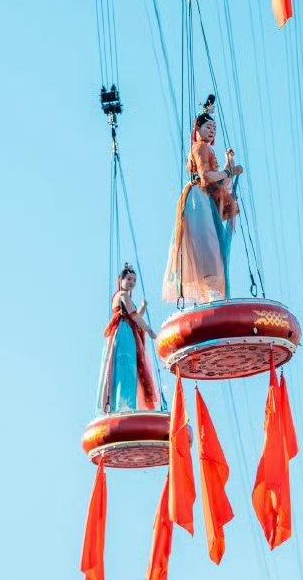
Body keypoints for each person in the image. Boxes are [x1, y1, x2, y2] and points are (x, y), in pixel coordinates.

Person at [162, 98, 244, 305]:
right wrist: (228, 170)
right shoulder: (199, 148)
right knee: (207, 245)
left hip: (206, 199)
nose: (212, 131)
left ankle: (212, 291)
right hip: (198, 198)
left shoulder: (208, 150)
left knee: (212, 245)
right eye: (208, 126)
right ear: (197, 129)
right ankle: (211, 290)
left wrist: (229, 165)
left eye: (214, 128)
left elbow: (219, 182)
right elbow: (206, 176)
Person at [95, 263, 161, 415]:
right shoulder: (123, 295)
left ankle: (122, 404)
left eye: (134, 280)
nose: (132, 282)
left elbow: (133, 316)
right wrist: (149, 329)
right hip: (125, 333)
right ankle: (125, 404)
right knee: (127, 367)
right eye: (129, 279)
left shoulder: (120, 297)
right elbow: (134, 316)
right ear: (121, 280)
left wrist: (142, 309)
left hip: (123, 330)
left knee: (122, 368)